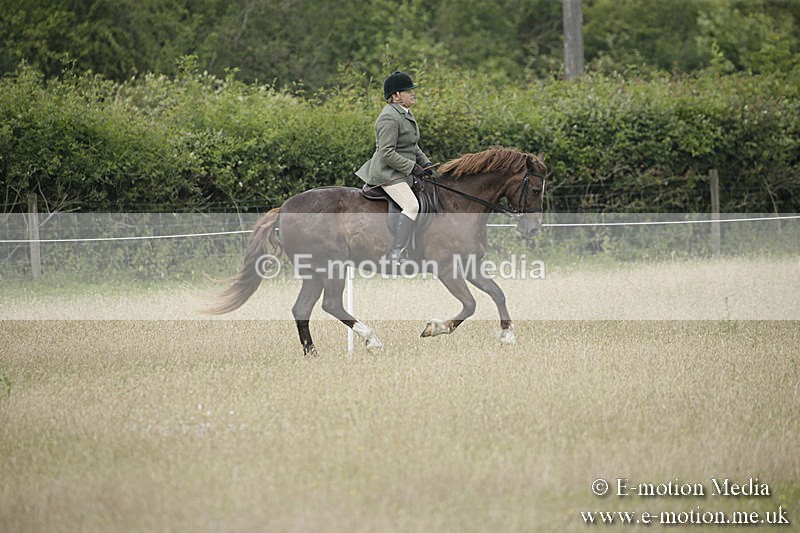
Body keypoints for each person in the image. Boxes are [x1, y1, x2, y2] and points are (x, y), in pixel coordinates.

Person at [356, 70, 434, 263]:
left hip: (401, 172)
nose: (412, 93)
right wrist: (411, 167)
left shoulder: (405, 114)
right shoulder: (389, 117)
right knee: (412, 206)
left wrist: (426, 164)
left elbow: (412, 146)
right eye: (408, 91)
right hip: (387, 174)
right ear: (396, 95)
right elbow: (387, 152)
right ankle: (396, 253)